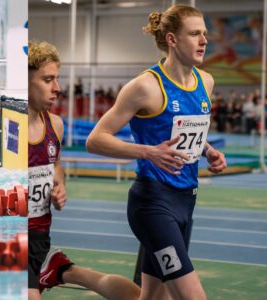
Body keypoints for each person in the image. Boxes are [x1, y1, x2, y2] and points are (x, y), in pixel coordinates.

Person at [86, 5, 227, 300]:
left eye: (205, 33)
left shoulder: (206, 82)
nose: (204, 40)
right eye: (195, 34)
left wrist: (208, 150)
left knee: (150, 299)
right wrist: (147, 152)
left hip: (186, 202)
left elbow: (186, 134)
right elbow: (96, 139)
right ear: (173, 39)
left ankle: (67, 272)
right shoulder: (145, 87)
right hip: (152, 204)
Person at [28, 40, 140, 300]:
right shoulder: (10, 131)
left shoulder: (54, 125)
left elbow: (56, 168)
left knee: (90, 277)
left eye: (57, 79)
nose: (57, 88)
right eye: (47, 80)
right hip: (11, 240)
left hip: (40, 240)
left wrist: (60, 187)